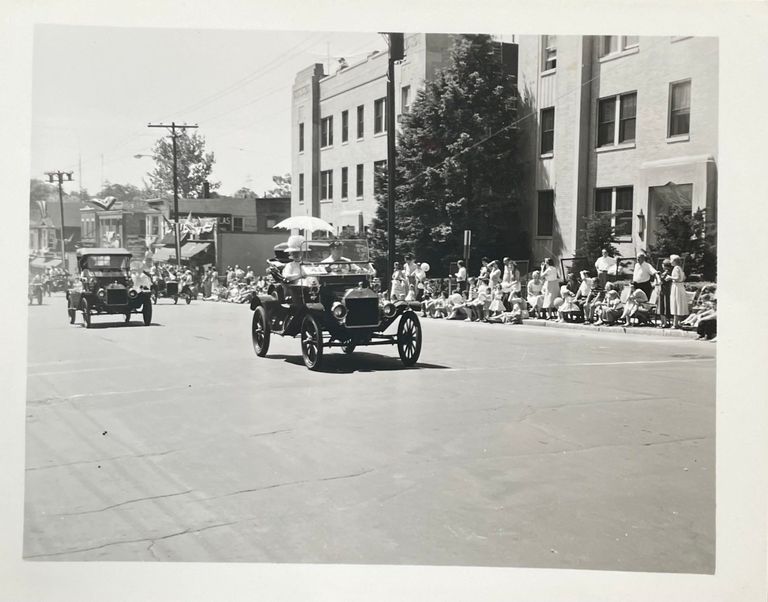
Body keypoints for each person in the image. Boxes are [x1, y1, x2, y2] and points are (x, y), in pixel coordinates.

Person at [669, 254, 689, 328]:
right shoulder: (680, 268)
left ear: (674, 261)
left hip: (676, 286)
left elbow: (677, 277)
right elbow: (684, 277)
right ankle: (677, 323)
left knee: (675, 303)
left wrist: (670, 277)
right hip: (680, 286)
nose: (670, 262)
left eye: (671, 260)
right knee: (678, 304)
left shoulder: (676, 268)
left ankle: (675, 324)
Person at [655, 258, 673, 328]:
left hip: (664, 292)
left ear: (664, 265)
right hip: (665, 291)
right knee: (663, 306)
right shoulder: (669, 272)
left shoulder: (666, 273)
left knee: (663, 307)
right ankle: (664, 322)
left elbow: (661, 281)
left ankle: (664, 323)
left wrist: (657, 276)